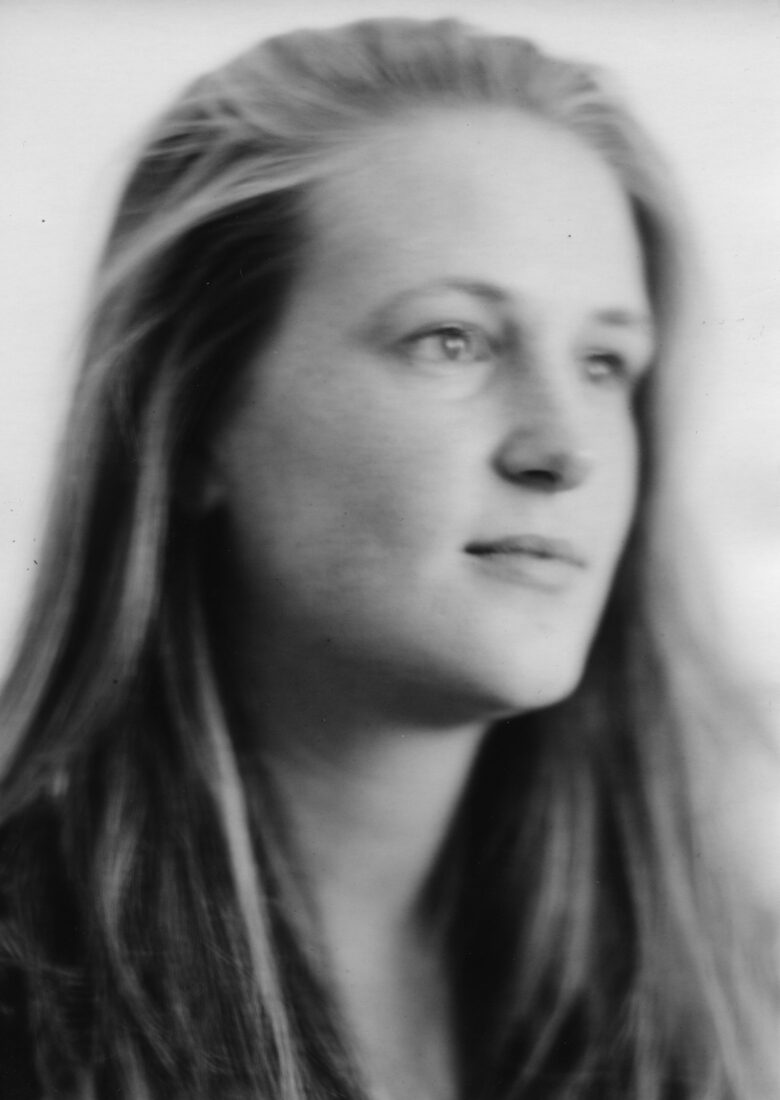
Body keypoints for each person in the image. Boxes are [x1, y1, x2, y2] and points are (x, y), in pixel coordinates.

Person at [0, 16, 775, 1100]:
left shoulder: (734, 995)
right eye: (452, 340)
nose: (567, 449)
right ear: (193, 418)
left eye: (605, 363)